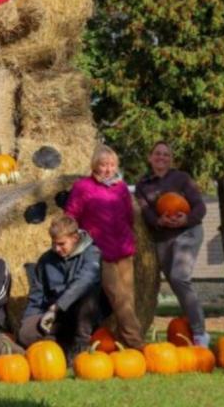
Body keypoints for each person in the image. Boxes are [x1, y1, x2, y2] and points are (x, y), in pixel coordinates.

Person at [65, 144, 145, 349]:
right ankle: (138, 344)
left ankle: (122, 343)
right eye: (103, 165)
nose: (108, 169)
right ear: (95, 165)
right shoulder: (83, 187)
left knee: (128, 298)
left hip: (125, 250)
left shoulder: (121, 188)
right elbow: (71, 216)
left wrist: (130, 238)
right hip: (100, 252)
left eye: (112, 165)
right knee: (119, 300)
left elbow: (129, 215)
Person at [136, 141, 209, 347]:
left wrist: (185, 220)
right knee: (177, 284)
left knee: (180, 277)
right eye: (157, 154)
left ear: (171, 159)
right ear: (150, 158)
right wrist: (159, 221)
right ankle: (189, 330)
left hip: (188, 232)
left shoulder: (182, 178)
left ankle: (200, 334)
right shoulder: (142, 185)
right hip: (163, 236)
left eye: (166, 155)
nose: (162, 157)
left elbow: (200, 207)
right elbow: (145, 212)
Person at [17, 214, 102, 362]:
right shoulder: (45, 260)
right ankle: (61, 345)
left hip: (82, 314)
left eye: (62, 244)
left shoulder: (92, 253)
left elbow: (84, 280)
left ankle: (79, 347)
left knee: (87, 295)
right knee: (25, 333)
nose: (56, 248)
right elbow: (37, 295)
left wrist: (57, 307)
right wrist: (27, 321)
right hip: (55, 319)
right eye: (54, 243)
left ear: (75, 238)